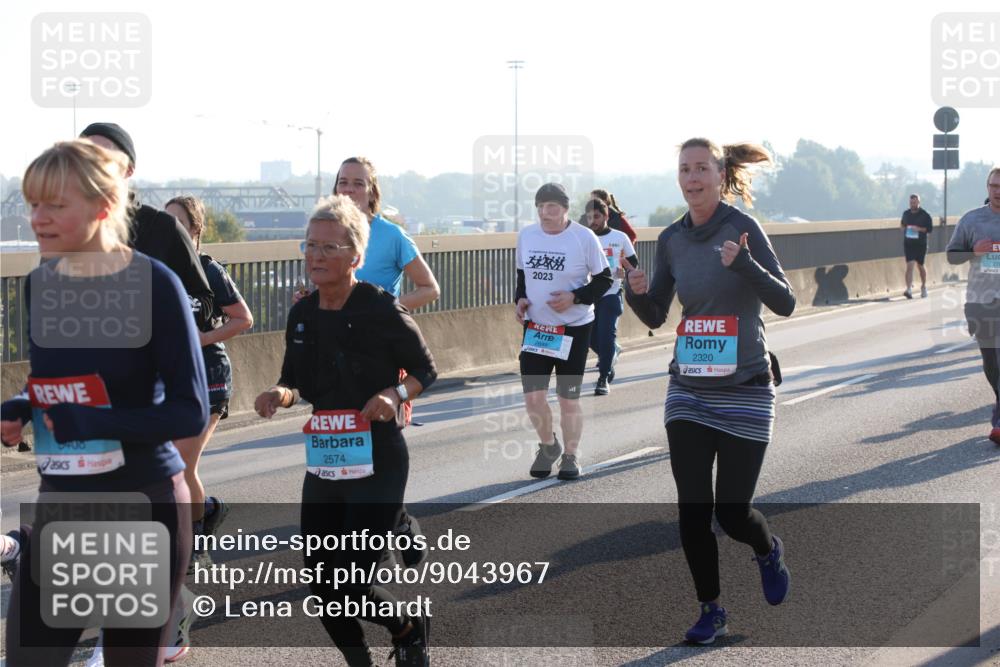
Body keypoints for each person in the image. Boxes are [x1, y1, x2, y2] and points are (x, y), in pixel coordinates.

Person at [0, 139, 208, 666]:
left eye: (54, 205)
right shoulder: (41, 284)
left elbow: (190, 410)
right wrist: (23, 404)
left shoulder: (155, 285)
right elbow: (60, 383)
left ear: (103, 206)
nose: (36, 219)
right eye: (32, 204)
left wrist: (95, 420)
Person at [624, 138, 795, 644]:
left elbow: (784, 302)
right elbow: (657, 314)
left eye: (702, 169)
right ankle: (711, 610)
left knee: (733, 512)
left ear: (721, 175)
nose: (693, 178)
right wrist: (636, 295)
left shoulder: (744, 228)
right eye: (685, 169)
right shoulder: (672, 239)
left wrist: (743, 264)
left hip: (745, 387)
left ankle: (766, 549)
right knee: (693, 508)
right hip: (690, 391)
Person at [255, 194, 435, 667]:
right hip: (328, 461)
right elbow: (294, 379)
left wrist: (393, 397)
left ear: (355, 256)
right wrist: (279, 394)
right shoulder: (302, 314)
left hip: (379, 460)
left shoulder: (381, 309)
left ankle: (407, 627)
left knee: (353, 583)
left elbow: (425, 371)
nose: (315, 256)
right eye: (310, 246)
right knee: (323, 587)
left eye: (328, 248)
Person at [333, 156, 440, 566]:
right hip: (336, 358)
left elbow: (429, 288)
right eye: (343, 182)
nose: (348, 190)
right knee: (345, 446)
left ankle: (388, 528)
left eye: (357, 183)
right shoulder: (325, 234)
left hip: (383, 356)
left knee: (380, 445)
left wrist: (384, 309)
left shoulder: (391, 235)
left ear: (371, 191)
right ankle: (390, 522)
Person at [165, 195, 253, 559]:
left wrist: (202, 338)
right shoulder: (156, 272)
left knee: (183, 465)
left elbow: (243, 318)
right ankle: (208, 511)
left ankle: (194, 544)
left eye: (178, 224)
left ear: (195, 230)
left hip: (209, 378)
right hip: (170, 380)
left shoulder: (208, 270)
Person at [516, 183, 613, 480]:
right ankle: (549, 446)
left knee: (568, 398)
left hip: (573, 329)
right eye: (541, 207)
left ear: (565, 209)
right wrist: (519, 299)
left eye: (552, 207)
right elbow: (522, 274)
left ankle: (570, 456)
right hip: (538, 328)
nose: (546, 213)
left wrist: (575, 297)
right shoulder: (527, 235)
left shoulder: (583, 238)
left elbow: (605, 279)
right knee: (533, 398)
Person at [79, 123, 215, 331]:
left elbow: (204, 302)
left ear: (128, 169)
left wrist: (157, 305)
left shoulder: (163, 227)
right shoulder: (66, 230)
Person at [946, 166, 1000, 445]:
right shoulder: (972, 220)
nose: (998, 191)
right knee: (991, 362)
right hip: (980, 300)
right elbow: (952, 256)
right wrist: (975, 251)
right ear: (987, 187)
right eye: (994, 186)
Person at [585, 199, 638, 395]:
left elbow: (633, 262)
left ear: (606, 216)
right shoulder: (584, 237)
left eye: (597, 217)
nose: (593, 221)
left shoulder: (619, 237)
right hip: (589, 294)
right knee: (590, 339)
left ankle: (603, 377)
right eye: (589, 217)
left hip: (611, 292)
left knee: (606, 335)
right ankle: (611, 353)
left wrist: (626, 271)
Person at [901, 193, 933, 298]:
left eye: (914, 202)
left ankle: (923, 287)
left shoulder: (925, 215)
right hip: (909, 243)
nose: (912, 204)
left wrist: (918, 229)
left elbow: (929, 229)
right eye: (911, 202)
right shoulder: (906, 214)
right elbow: (902, 225)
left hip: (920, 244)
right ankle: (909, 289)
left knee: (920, 266)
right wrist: (904, 229)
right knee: (909, 265)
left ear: (918, 202)